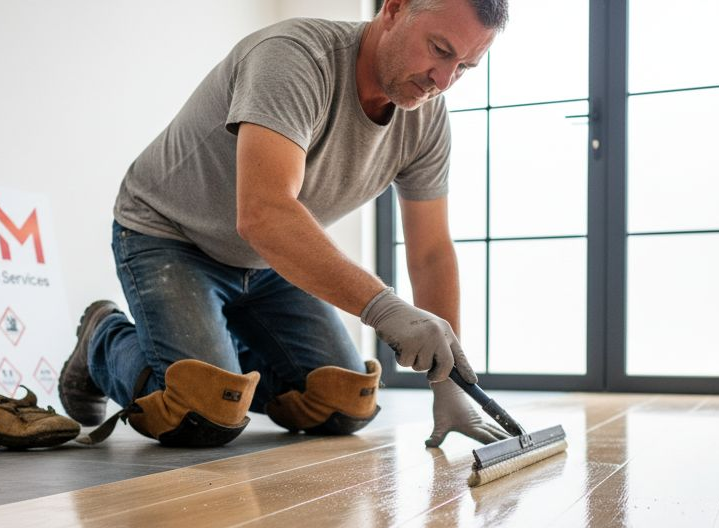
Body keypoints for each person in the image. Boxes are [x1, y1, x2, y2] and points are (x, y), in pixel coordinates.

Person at [60, 0, 512, 449]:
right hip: (171, 235)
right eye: (439, 49)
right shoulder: (293, 58)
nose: (444, 80)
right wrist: (384, 309)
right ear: (393, 9)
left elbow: (431, 251)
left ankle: (211, 363)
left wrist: (449, 381)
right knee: (200, 414)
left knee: (345, 402)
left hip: (267, 260)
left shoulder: (426, 119)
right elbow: (264, 212)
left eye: (465, 68)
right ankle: (102, 337)